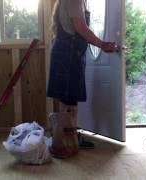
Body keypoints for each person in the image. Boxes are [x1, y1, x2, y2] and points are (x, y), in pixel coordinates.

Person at [47, 0, 117, 157]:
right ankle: (64, 142)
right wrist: (103, 45)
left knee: (69, 99)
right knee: (69, 99)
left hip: (70, 53)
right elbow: (81, 28)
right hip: (68, 53)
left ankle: (67, 139)